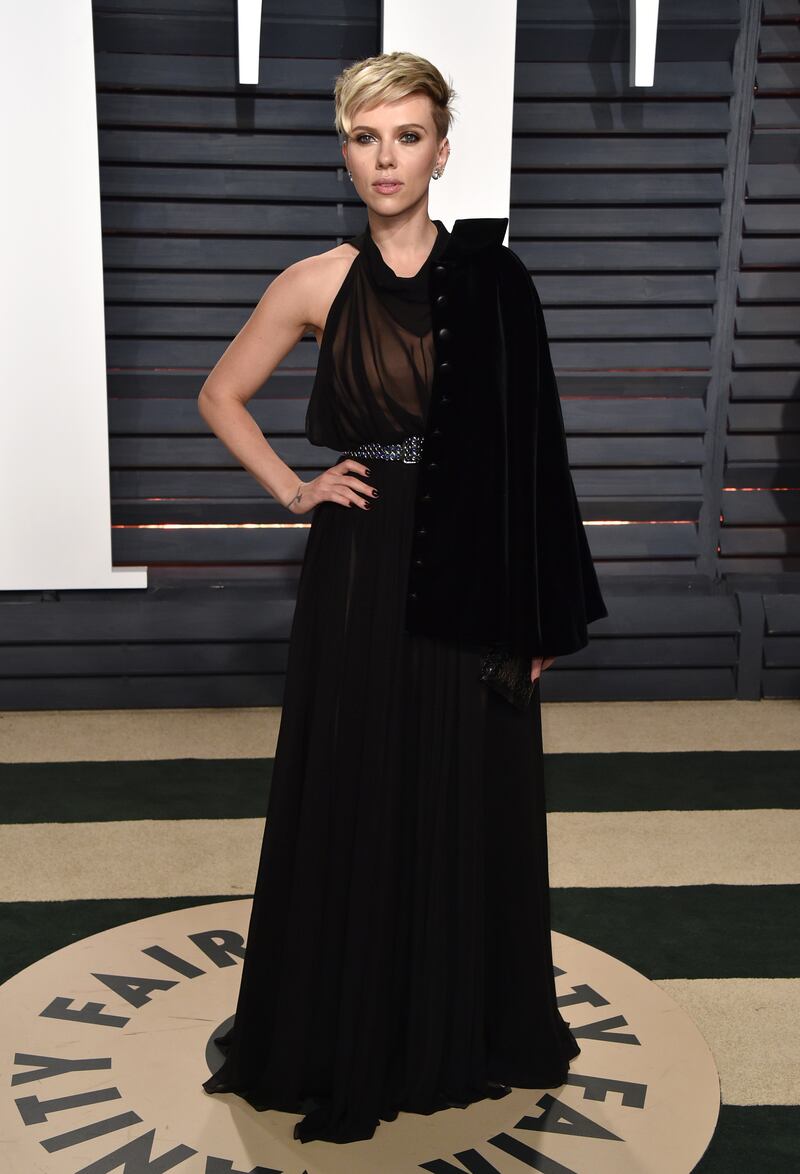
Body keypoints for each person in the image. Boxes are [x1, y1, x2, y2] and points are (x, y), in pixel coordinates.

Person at [198, 50, 606, 1145]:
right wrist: (297, 488)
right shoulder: (313, 282)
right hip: (361, 560)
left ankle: (452, 1025)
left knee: (463, 782)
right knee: (358, 777)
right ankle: (350, 1030)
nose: (386, 158)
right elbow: (221, 394)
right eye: (365, 137)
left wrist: (542, 610)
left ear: (441, 151)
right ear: (345, 151)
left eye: (407, 136)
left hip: (473, 560)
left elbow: (536, 451)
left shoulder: (493, 278)